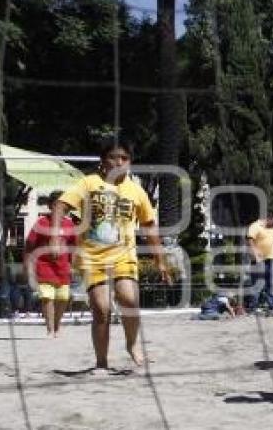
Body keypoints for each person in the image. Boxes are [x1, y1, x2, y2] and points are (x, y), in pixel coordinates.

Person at [50, 138, 170, 370]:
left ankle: (132, 345)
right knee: (101, 309)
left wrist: (160, 260)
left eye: (124, 158)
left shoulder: (137, 191)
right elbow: (59, 206)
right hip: (92, 258)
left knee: (129, 300)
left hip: (124, 255)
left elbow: (149, 225)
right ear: (103, 162)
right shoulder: (88, 183)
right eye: (113, 157)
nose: (119, 162)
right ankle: (101, 363)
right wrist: (55, 237)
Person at [24, 190, 77, 337]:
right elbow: (29, 245)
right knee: (47, 298)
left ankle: (57, 325)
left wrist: (73, 265)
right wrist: (28, 266)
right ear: (50, 206)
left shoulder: (69, 224)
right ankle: (50, 329)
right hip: (44, 267)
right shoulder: (41, 223)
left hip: (63, 268)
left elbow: (74, 246)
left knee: (63, 298)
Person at [246, 213, 273, 316]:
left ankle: (272, 307)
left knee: (272, 284)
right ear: (269, 219)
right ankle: (253, 308)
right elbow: (249, 239)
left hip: (272, 259)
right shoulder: (255, 226)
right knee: (257, 284)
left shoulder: (271, 228)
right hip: (259, 260)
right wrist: (255, 254)